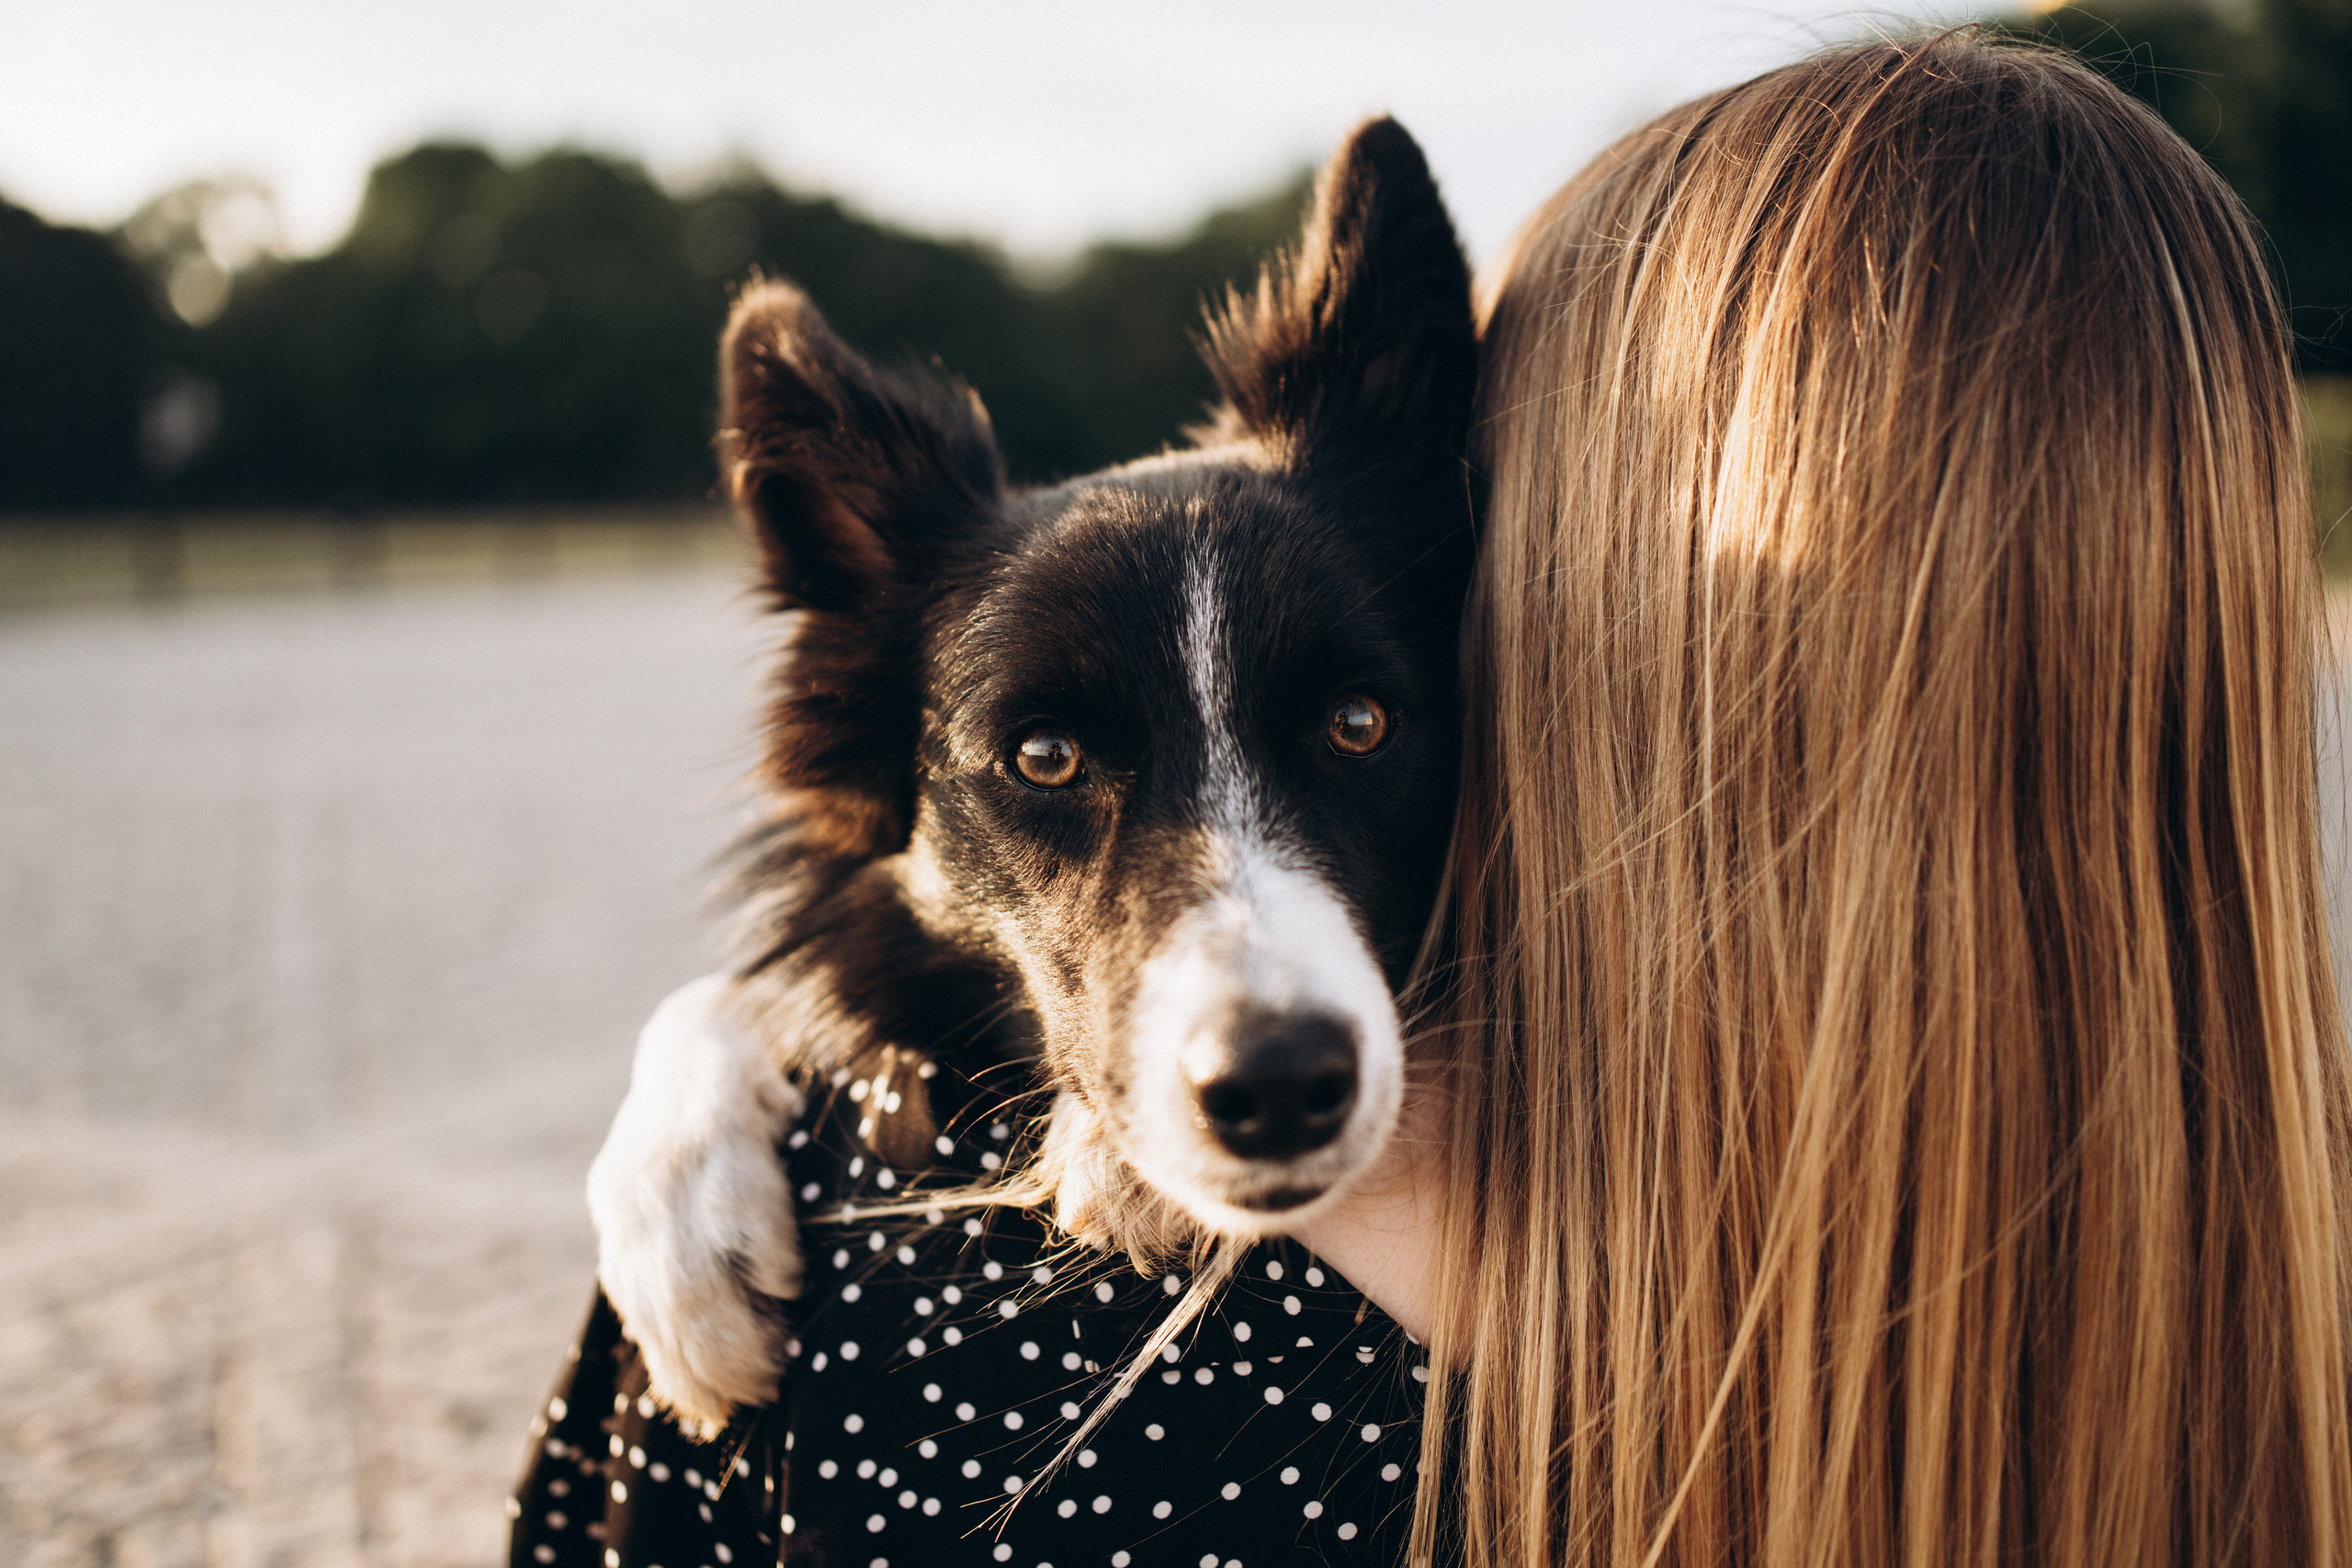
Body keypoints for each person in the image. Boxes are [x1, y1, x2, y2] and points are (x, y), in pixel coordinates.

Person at [514, 30, 2352, 1568]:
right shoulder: (2258, 1281)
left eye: (1362, 718)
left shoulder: (875, 1299)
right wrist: (726, 1036)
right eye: (1054, 761)